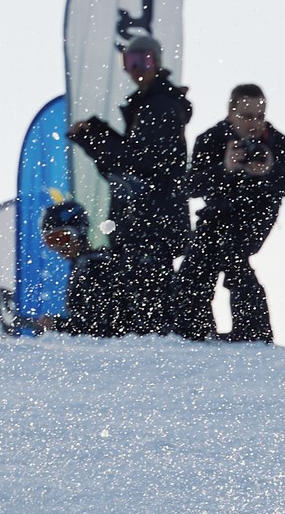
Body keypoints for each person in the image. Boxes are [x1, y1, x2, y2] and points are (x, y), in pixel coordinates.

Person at [67, 30, 193, 335]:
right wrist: (96, 137)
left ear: (158, 64)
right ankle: (149, 336)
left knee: (149, 289)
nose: (136, 69)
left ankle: (163, 339)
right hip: (145, 219)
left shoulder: (159, 105)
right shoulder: (148, 104)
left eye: (144, 61)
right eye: (130, 62)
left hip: (151, 219)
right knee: (138, 285)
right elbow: (132, 161)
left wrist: (95, 137)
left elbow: (143, 162)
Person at [177, 83, 285, 342]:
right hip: (218, 213)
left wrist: (269, 171)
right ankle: (192, 331)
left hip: (256, 215)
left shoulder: (276, 142)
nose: (254, 123)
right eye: (247, 116)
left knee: (232, 255)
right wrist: (225, 168)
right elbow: (190, 186)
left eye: (259, 116)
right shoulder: (210, 139)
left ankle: (253, 332)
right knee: (196, 263)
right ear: (231, 113)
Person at [26, 200, 129, 336]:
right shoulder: (82, 265)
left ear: (79, 232)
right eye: (50, 241)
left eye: (62, 238)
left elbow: (101, 326)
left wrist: (57, 325)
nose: (58, 248)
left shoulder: (97, 266)